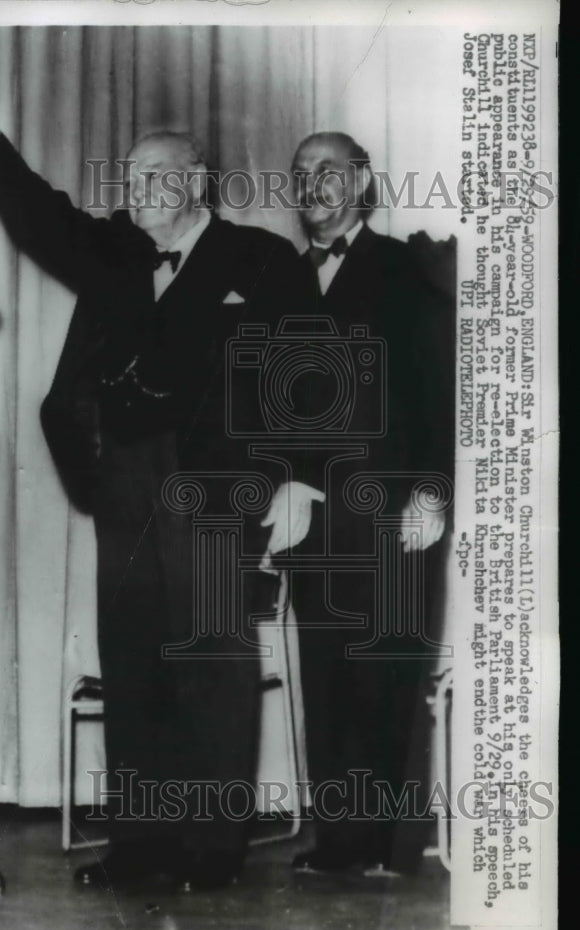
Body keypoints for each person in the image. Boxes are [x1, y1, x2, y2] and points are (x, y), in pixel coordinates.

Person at [0, 29, 309, 892]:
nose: (138, 194)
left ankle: (209, 852)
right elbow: (37, 209)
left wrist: (298, 478)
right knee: (135, 662)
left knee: (210, 660)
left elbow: (304, 377)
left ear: (197, 181)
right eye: (128, 182)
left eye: (155, 179)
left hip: (214, 483)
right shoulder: (118, 252)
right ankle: (144, 845)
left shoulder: (261, 259)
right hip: (125, 477)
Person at [260, 131, 455, 878]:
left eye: (330, 171)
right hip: (312, 518)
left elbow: (439, 399)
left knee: (392, 679)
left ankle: (394, 849)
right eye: (302, 171)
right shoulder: (283, 280)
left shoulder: (406, 269)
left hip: (392, 512)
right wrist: (280, 485)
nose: (315, 184)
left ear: (362, 181)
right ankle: (341, 843)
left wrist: (432, 497)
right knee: (330, 677)